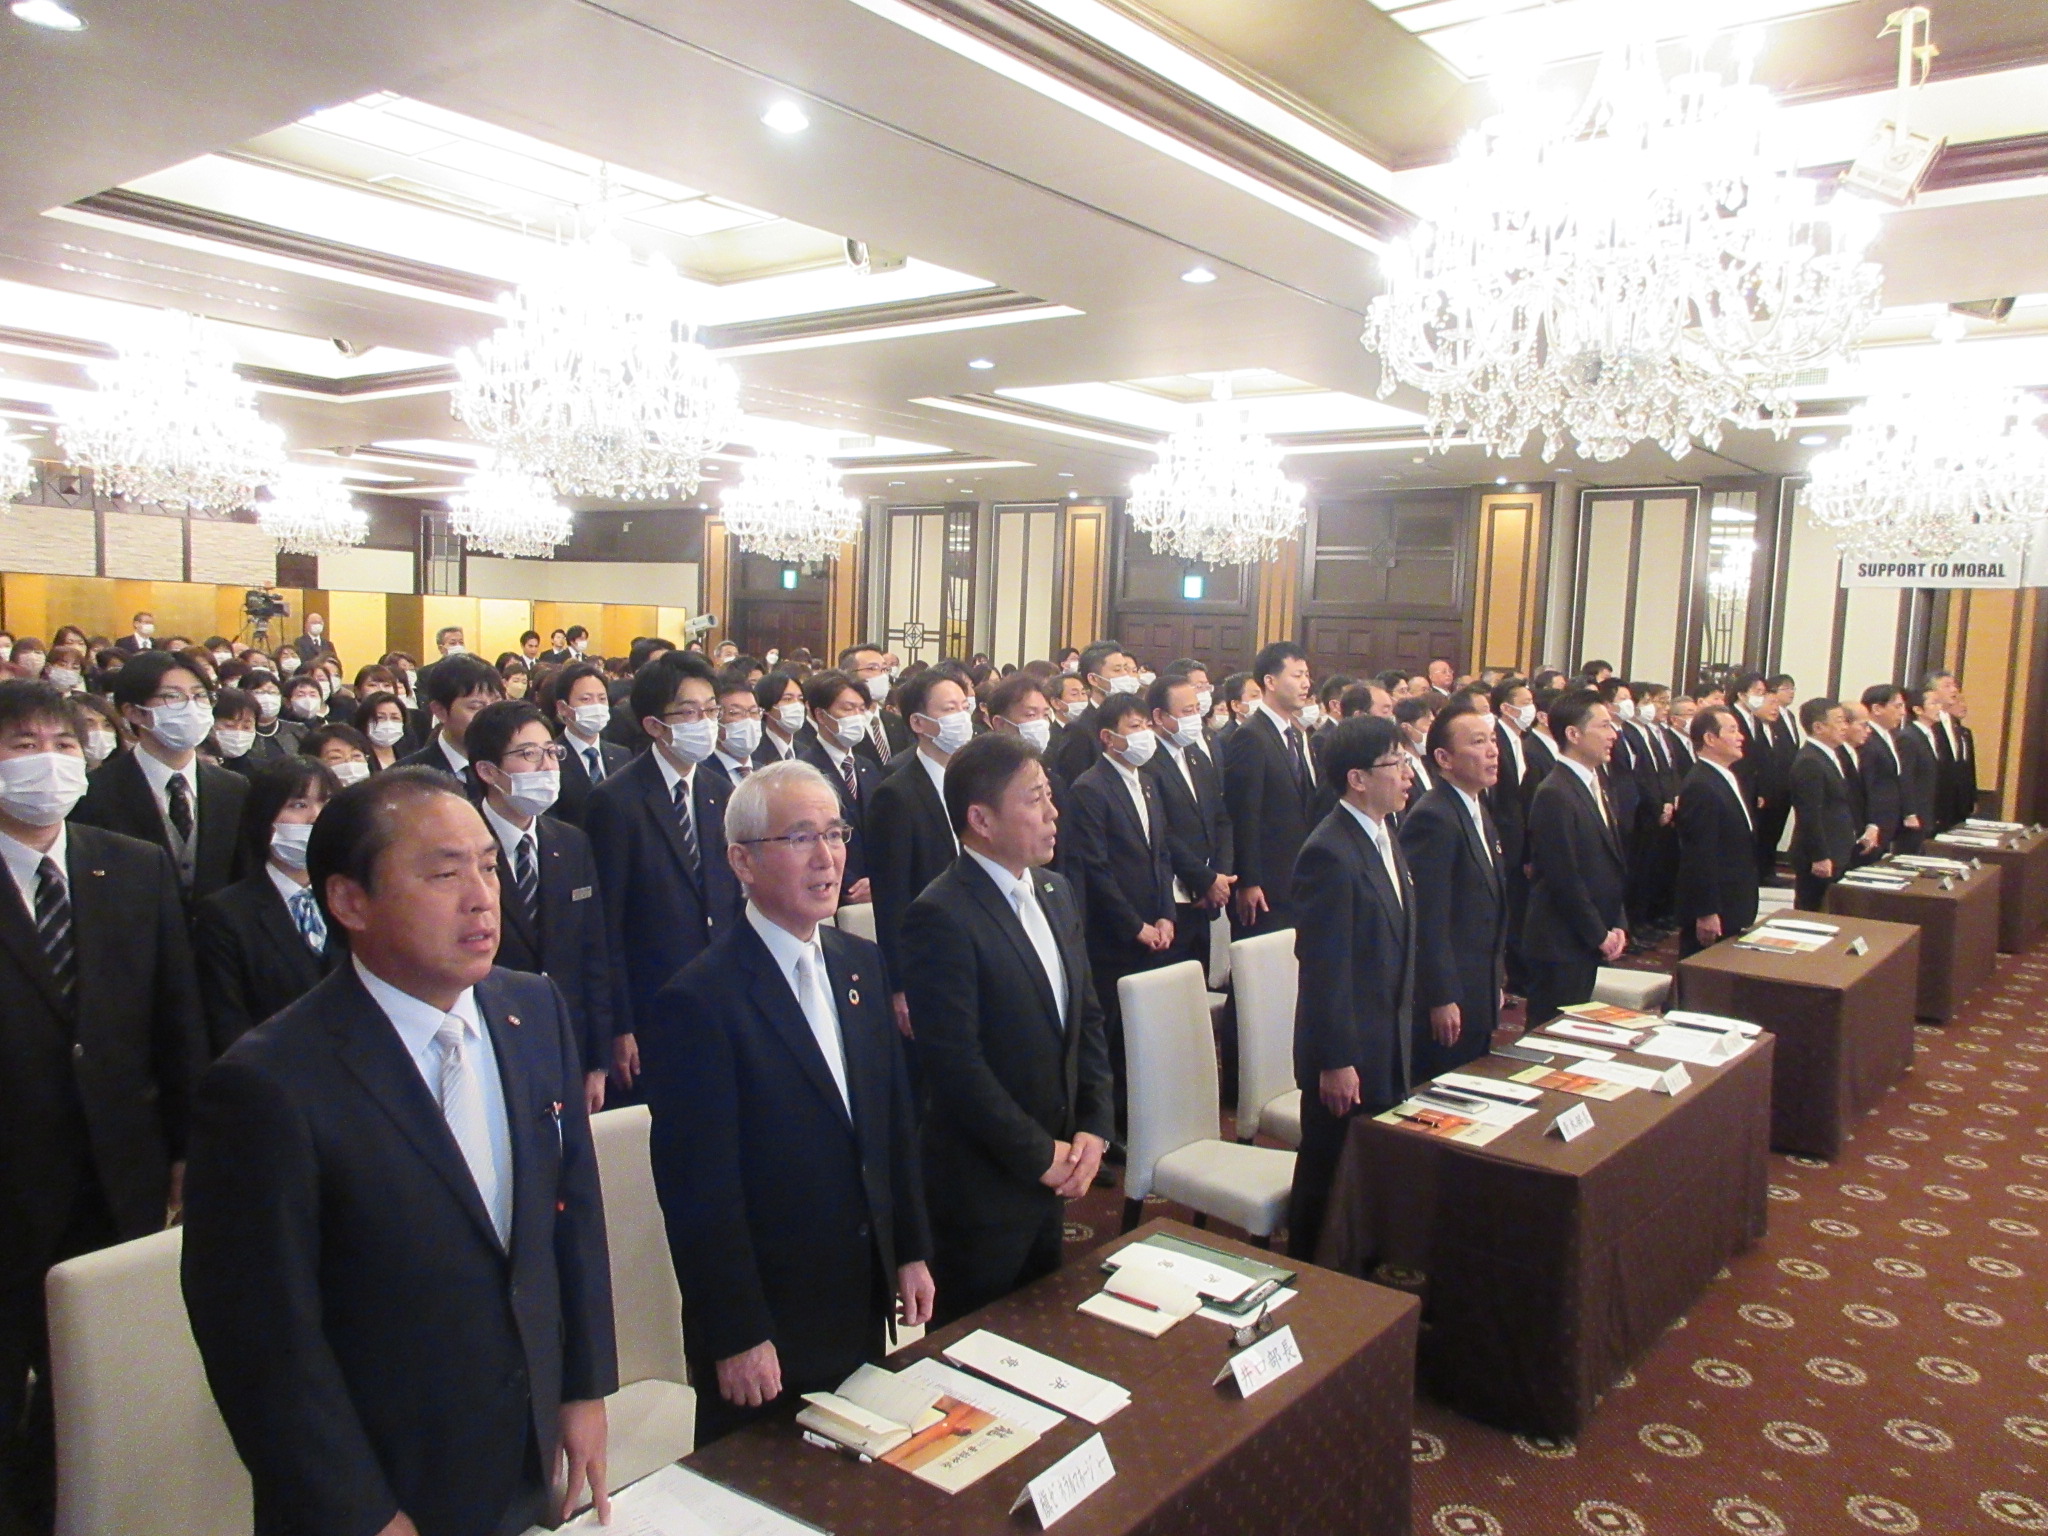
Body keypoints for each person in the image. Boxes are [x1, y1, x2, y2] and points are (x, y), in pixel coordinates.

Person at [180, 768, 617, 1536]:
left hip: (522, 1446)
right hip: (382, 1478)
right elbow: (262, 1341)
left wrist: (583, 1387)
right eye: (444, 874)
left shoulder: (532, 1008)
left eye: (488, 866)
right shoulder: (268, 1084)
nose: (481, 897)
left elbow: (570, 1215)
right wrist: (358, 1510)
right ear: (350, 901)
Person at [644, 762, 931, 1444]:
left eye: (835, 833)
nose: (827, 856)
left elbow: (891, 1123)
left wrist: (910, 1249)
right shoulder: (699, 1000)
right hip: (770, 1317)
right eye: (801, 838)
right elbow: (698, 1191)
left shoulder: (860, 963)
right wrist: (737, 1332)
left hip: (857, 1290)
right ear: (742, 861)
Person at [0, 680, 204, 1532]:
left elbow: (176, 1019)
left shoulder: (131, 864)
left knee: (101, 1378)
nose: (48, 761)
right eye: (23, 746)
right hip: (13, 1173)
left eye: (62, 743)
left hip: (120, 1165)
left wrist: (186, 1147)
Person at [901, 734, 1111, 1322]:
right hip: (983, 1186)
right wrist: (1039, 1154)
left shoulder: (1054, 890)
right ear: (981, 820)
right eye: (1035, 799)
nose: (1053, 813)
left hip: (1057, 1168)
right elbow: (955, 1067)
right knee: (977, 1343)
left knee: (1045, 1328)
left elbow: (1087, 1019)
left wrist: (1094, 1126)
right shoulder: (941, 914)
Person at [1286, 716, 1415, 1262]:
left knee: (1365, 1175)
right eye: (1396, 764)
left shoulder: (1384, 834)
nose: (1408, 774)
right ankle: (1312, 1276)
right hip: (1347, 1052)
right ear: (1357, 778)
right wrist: (1337, 1060)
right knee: (1328, 1175)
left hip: (1385, 1036)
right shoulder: (1330, 852)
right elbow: (1324, 967)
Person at [585, 651, 742, 1093]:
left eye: (711, 710)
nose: (704, 722)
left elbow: (729, 899)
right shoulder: (616, 801)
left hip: (717, 990)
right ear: (654, 725)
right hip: (651, 999)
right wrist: (619, 1025)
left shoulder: (720, 791)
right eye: (689, 712)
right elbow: (606, 925)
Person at [461, 700, 615, 1116]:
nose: (547, 766)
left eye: (551, 752)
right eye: (529, 754)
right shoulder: (462, 846)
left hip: (566, 1037)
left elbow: (593, 953)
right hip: (490, 1035)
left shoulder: (570, 842)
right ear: (488, 771)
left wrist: (597, 1059)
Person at [1065, 691, 1179, 1131]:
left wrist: (1166, 914)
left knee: (1144, 1034)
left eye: (1145, 725)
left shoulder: (1147, 781)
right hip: (1114, 936)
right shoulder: (1089, 788)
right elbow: (1095, 869)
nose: (1144, 734)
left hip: (1155, 926)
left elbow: (1161, 853)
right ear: (1108, 737)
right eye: (1134, 727)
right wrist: (1135, 926)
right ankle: (1107, 1128)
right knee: (1109, 1038)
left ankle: (1140, 1117)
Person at [192, 756, 343, 1053]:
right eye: (298, 805)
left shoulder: (357, 899)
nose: (315, 817)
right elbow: (227, 1023)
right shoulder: (226, 913)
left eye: (326, 803)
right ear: (264, 818)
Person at [72, 649, 248, 900]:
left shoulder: (233, 788)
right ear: (134, 711)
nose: (191, 707)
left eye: (200, 696)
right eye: (172, 697)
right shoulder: (95, 791)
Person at [1402, 708, 1505, 1078]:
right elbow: (1428, 919)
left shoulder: (1477, 808)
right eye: (1478, 742)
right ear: (1444, 758)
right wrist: (1441, 996)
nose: (1492, 750)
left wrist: (1495, 978)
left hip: (1478, 983)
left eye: (1492, 740)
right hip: (1450, 995)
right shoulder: (1434, 817)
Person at [867, 668, 970, 1036]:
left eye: (964, 707)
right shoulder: (897, 793)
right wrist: (899, 986)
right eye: (949, 709)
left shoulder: (976, 780)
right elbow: (891, 897)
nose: (961, 718)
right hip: (931, 955)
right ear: (918, 723)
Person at [1520, 691, 1628, 1028]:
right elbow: (1563, 876)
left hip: (1588, 936)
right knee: (1552, 1034)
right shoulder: (1555, 791)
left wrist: (1618, 923)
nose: (1613, 734)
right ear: (1573, 734)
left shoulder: (1596, 783)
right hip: (1561, 941)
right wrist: (1598, 934)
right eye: (1604, 726)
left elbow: (1608, 863)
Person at [1222, 640, 1317, 936]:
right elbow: (1243, 813)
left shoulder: (1295, 735)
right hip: (1266, 884)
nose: (1306, 683)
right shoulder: (1251, 736)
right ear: (1270, 682)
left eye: (1307, 675)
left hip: (1296, 878)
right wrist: (1249, 881)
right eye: (1297, 675)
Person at [1675, 704, 1761, 957]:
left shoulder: (1725, 777)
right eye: (1732, 730)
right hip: (1717, 905)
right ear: (1710, 739)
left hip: (1734, 897)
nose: (1740, 737)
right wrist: (1706, 911)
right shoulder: (1701, 785)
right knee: (1704, 969)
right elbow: (1699, 854)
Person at [798, 669, 882, 906]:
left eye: (861, 709)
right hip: (830, 892)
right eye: (847, 709)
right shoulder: (805, 771)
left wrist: (877, 881)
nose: (857, 716)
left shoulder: (867, 767)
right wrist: (849, 884)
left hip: (875, 893)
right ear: (821, 715)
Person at [1790, 698, 1859, 912]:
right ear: (1818, 727)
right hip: (1820, 853)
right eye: (1839, 721)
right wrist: (1820, 856)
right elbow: (1809, 814)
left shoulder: (1832, 755)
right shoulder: (1810, 761)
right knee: (1812, 911)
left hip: (1838, 847)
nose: (1845, 726)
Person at [397, 653, 506, 779]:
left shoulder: (513, 766)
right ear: (440, 711)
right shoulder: (408, 778)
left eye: (497, 703)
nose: (491, 715)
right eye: (476, 707)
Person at [1052, 640, 1139, 785]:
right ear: (1093, 679)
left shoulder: (1135, 719)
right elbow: (1076, 785)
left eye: (1126, 669)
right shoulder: (1079, 729)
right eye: (1117, 670)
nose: (1125, 675)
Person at [1859, 684, 1913, 855]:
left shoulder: (1890, 736)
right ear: (1877, 709)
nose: (1903, 712)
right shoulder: (1867, 740)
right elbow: (1868, 785)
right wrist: (1872, 822)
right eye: (1897, 706)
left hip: (1889, 820)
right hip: (1874, 821)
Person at [835, 644, 909, 765]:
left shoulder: (898, 722)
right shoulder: (842, 723)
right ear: (849, 674)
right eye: (873, 668)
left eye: (884, 669)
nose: (882, 675)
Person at [1900, 685, 1946, 846]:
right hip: (1916, 812)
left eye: (1940, 703)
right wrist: (1910, 812)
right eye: (1934, 703)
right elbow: (1906, 777)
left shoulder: (1931, 735)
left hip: (1930, 809)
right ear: (1918, 709)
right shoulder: (1909, 737)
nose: (1939, 708)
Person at [706, 667, 764, 785]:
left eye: (754, 712)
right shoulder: (702, 774)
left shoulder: (766, 774)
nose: (748, 720)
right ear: (715, 717)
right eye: (736, 713)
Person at [754, 669, 808, 765]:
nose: (797, 705)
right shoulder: (755, 753)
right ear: (766, 707)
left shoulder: (805, 752)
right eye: (787, 699)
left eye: (800, 699)